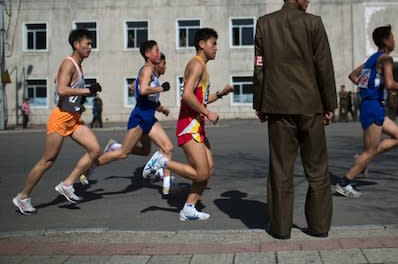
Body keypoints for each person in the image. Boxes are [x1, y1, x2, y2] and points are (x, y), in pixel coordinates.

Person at [253, 0, 337, 239]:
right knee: (318, 170)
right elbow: (324, 66)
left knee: (280, 169)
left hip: (277, 108)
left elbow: (260, 68)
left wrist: (260, 103)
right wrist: (329, 104)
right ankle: (319, 226)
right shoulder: (313, 24)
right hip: (310, 107)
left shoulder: (264, 24)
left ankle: (279, 228)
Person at [12, 28, 102, 215]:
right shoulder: (68, 63)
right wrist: (86, 91)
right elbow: (61, 89)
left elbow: (59, 82)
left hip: (74, 118)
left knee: (94, 149)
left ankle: (67, 184)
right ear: (76, 45)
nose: (90, 47)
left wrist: (79, 99)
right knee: (48, 160)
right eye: (88, 44)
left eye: (91, 44)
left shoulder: (77, 65)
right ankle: (22, 197)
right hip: (60, 118)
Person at [152, 28, 233, 221]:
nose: (216, 48)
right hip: (189, 125)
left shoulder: (201, 67)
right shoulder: (196, 65)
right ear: (201, 44)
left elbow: (200, 99)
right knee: (201, 172)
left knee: (209, 169)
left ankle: (189, 208)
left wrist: (221, 94)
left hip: (197, 126)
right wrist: (207, 113)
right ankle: (161, 162)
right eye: (213, 43)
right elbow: (187, 96)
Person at [84, 42, 176, 194]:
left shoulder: (150, 71)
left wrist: (158, 106)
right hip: (140, 117)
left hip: (149, 116)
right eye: (156, 51)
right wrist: (161, 88)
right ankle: (92, 165)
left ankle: (167, 185)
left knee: (162, 149)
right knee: (123, 154)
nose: (159, 53)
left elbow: (134, 87)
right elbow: (145, 89)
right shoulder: (147, 69)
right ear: (148, 54)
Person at [335, 25, 398, 198]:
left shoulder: (372, 59)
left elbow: (353, 76)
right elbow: (391, 84)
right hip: (373, 106)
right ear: (386, 40)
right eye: (392, 37)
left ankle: (362, 158)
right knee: (370, 151)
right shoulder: (386, 59)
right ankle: (344, 183)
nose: (394, 40)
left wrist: (368, 86)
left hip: (372, 105)